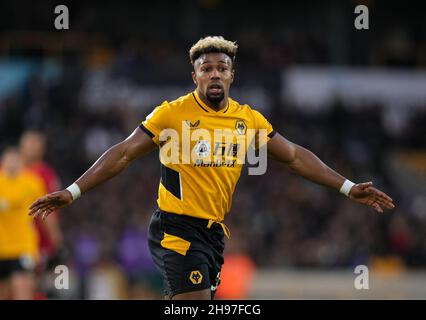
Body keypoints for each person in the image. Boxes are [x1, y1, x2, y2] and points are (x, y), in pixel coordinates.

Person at [29, 36, 395, 300]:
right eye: (207, 68)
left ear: (232, 75)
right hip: (176, 229)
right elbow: (124, 153)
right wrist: (73, 191)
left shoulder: (247, 119)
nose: (215, 74)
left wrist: (347, 187)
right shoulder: (171, 113)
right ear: (195, 76)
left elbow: (295, 157)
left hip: (213, 234)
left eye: (222, 68)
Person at [19, 130, 64, 298]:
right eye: (28, 144)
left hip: (39, 242)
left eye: (35, 144)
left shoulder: (45, 175)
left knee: (35, 286)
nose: (31, 148)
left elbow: (50, 211)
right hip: (12, 241)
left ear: (42, 149)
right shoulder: (9, 172)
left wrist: (56, 240)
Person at [0, 147, 46, 299]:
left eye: (15, 159)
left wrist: (53, 242)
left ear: (21, 162)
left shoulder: (32, 183)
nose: (12, 163)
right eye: (9, 159)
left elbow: (45, 214)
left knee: (22, 290)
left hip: (23, 248)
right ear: (3, 162)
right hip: (2, 249)